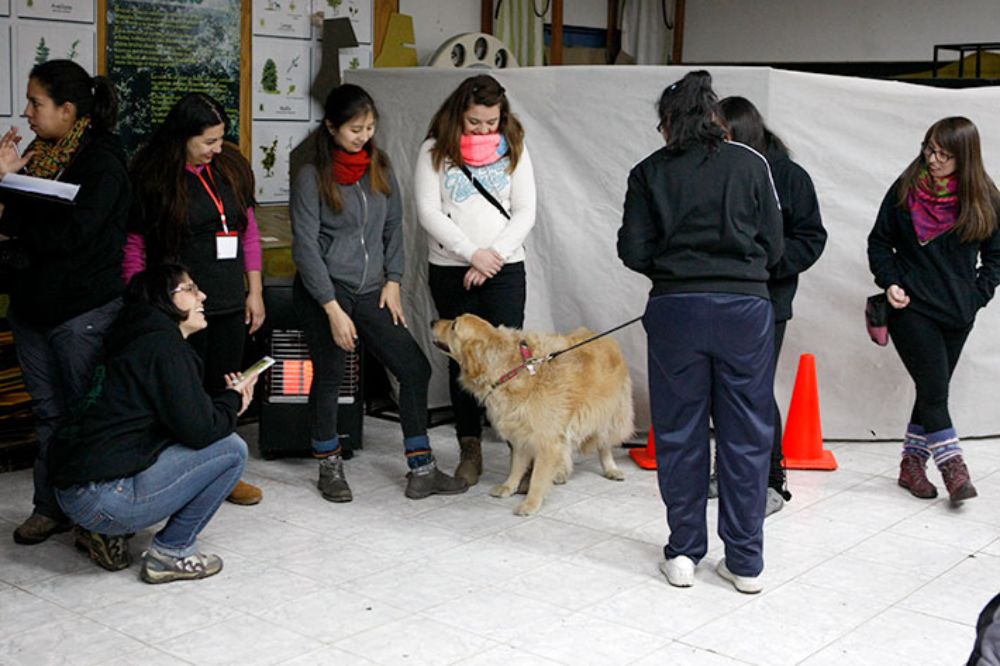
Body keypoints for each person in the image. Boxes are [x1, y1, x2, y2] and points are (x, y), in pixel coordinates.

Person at [617, 71, 783, 594]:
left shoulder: (648, 172)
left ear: (667, 122)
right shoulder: (751, 163)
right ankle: (746, 563)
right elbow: (774, 246)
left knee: (680, 430)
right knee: (746, 434)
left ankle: (684, 553)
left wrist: (677, 271)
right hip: (745, 310)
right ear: (714, 116)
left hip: (676, 310)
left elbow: (632, 251)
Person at [291, 83, 466, 502]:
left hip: (372, 290)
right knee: (331, 376)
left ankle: (421, 467)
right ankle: (329, 463)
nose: (364, 136)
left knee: (414, 369)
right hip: (325, 293)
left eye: (370, 127)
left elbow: (394, 228)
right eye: (355, 129)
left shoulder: (379, 166)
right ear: (332, 127)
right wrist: (331, 308)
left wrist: (393, 281)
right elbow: (306, 246)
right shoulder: (311, 174)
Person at [48, 264, 255, 582]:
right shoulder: (165, 349)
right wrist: (234, 401)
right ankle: (172, 552)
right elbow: (201, 431)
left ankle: (101, 530)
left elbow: (183, 418)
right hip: (101, 498)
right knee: (232, 449)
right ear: (164, 300)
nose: (202, 295)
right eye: (189, 289)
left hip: (74, 490)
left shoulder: (135, 337)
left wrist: (222, 402)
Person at [0, 60, 129, 546]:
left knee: (84, 414)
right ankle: (49, 507)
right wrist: (6, 178)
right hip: (31, 309)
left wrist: (14, 210)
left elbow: (74, 234)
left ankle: (95, 513)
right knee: (49, 414)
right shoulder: (37, 153)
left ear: (68, 110)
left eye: (37, 102)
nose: (27, 112)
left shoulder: (104, 160)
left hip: (82, 312)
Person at [126, 93, 264, 506]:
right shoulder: (153, 177)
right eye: (208, 141)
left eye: (220, 139)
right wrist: (143, 303)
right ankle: (175, 473)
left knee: (225, 384)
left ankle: (224, 468)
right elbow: (134, 246)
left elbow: (248, 232)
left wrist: (253, 291)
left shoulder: (231, 168)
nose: (216, 149)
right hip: (178, 310)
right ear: (182, 138)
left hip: (226, 300)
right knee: (181, 393)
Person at [867, 116, 1000, 505]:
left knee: (931, 389)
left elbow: (995, 259)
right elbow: (879, 243)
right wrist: (890, 281)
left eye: (944, 153)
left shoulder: (985, 198)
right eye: (929, 148)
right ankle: (954, 469)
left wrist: (977, 295)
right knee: (935, 392)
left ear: (965, 157)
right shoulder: (906, 188)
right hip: (911, 307)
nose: (933, 159)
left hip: (958, 312)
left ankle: (911, 466)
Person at [414, 74, 536, 487]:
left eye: (491, 122)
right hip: (451, 268)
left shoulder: (514, 149)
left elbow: (525, 211)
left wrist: (492, 259)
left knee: (509, 358)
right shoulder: (434, 151)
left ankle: (521, 451)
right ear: (457, 115)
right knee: (461, 358)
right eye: (475, 122)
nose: (484, 129)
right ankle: (470, 448)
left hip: (505, 269)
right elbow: (429, 212)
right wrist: (472, 254)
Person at [717, 96, 828, 516]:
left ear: (742, 133)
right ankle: (725, 470)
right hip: (721, 297)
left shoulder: (788, 175)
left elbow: (812, 237)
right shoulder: (717, 171)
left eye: (723, 133)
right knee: (719, 389)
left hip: (768, 297)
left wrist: (770, 263)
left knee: (754, 390)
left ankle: (771, 481)